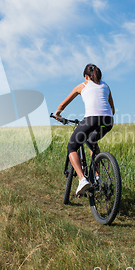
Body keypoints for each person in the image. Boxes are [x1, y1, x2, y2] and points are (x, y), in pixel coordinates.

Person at [54, 64, 115, 196]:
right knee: (93, 140)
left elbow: (63, 104)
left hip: (91, 120)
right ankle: (98, 177)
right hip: (107, 122)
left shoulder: (83, 85)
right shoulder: (106, 86)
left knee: (71, 147)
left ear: (86, 76)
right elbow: (112, 110)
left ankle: (82, 180)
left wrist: (57, 115)